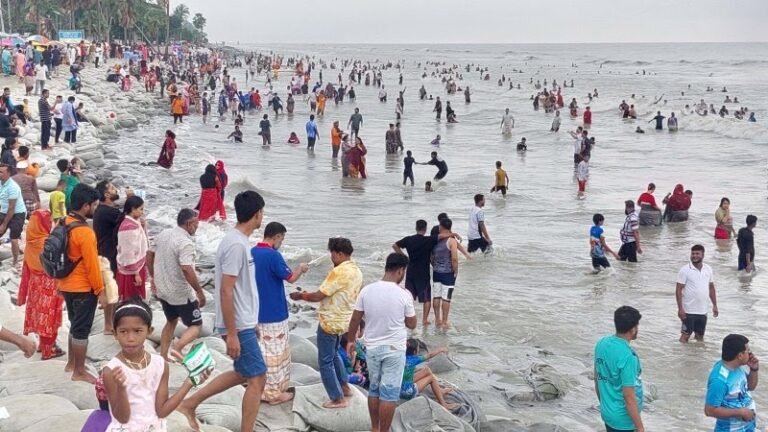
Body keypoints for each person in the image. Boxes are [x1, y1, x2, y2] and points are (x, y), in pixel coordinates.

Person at [178, 191, 268, 432]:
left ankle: (189, 403)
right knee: (258, 377)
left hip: (243, 321)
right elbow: (226, 291)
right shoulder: (236, 245)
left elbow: (240, 289)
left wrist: (252, 321)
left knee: (242, 373)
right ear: (257, 214)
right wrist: (233, 333)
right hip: (236, 324)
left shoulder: (238, 241)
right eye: (262, 212)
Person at [102, 299, 211, 431]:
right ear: (115, 333)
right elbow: (122, 418)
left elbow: (162, 411)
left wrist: (189, 382)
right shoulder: (111, 371)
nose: (130, 338)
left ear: (149, 331)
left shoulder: (160, 364)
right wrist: (121, 388)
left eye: (137, 331)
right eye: (124, 331)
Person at [288, 237, 363, 409]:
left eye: (332, 254)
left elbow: (318, 296)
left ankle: (337, 398)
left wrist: (301, 296)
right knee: (335, 354)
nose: (331, 258)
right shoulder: (356, 270)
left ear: (339, 253)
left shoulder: (339, 272)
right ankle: (344, 386)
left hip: (330, 321)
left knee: (325, 361)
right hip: (343, 321)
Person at [346, 253, 416, 432]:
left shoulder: (367, 290)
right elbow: (412, 324)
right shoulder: (404, 294)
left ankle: (374, 428)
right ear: (401, 270)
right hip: (395, 349)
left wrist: (351, 341)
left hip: (373, 349)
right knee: (389, 394)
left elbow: (355, 320)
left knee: (375, 390)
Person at [253, 222, 308, 404]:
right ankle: (274, 394)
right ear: (276, 237)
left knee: (262, 350)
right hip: (274, 311)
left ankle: (260, 386)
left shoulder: (252, 252)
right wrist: (300, 268)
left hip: (255, 310)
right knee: (275, 353)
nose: (281, 243)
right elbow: (291, 278)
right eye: (282, 239)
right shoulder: (273, 256)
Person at [59, 183, 104, 383]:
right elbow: (92, 264)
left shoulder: (63, 222)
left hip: (66, 283)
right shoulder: (85, 232)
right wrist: (100, 289)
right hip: (83, 288)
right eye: (93, 205)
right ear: (85, 206)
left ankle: (71, 363)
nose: (95, 209)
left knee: (74, 324)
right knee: (82, 329)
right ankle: (79, 370)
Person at [148, 208, 206, 361]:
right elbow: (186, 268)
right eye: (196, 223)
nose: (198, 226)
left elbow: (150, 253)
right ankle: (177, 348)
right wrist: (199, 291)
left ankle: (163, 355)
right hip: (180, 292)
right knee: (196, 325)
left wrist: (153, 276)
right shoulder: (185, 243)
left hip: (163, 289)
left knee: (171, 320)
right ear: (189, 224)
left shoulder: (163, 234)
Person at [17, 209, 63, 360]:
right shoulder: (47, 243)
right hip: (49, 286)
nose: (50, 223)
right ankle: (48, 350)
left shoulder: (30, 243)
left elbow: (26, 270)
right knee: (50, 318)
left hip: (35, 287)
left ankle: (44, 346)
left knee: (39, 317)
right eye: (48, 221)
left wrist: (22, 295)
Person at [594, 306, 645, 432]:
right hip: (624, 421)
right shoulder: (628, 357)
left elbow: (597, 378)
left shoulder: (602, 343)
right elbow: (629, 397)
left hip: (607, 413)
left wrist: (606, 405)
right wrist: (640, 427)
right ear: (633, 329)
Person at [704, 334, 759, 431]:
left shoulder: (737, 368)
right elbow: (709, 410)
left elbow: (750, 387)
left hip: (746, 427)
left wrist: (754, 369)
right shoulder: (719, 380)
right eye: (748, 350)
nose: (750, 353)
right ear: (740, 355)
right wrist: (740, 412)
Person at [393, 220, 438, 324]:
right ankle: (424, 320)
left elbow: (395, 246)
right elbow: (441, 236)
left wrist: (404, 257)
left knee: (409, 296)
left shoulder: (409, 240)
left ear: (416, 227)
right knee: (426, 298)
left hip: (411, 271)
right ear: (425, 229)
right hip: (423, 273)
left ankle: (407, 318)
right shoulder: (428, 240)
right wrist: (453, 234)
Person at [93, 180, 122, 334]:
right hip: (108, 255)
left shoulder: (103, 210)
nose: (115, 189)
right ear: (106, 195)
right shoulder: (107, 212)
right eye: (112, 188)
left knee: (112, 289)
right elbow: (126, 218)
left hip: (106, 253)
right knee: (111, 289)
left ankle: (112, 322)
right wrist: (132, 199)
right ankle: (108, 326)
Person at [675, 244, 718, 343]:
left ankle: (696, 357)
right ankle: (682, 356)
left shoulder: (708, 269)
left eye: (697, 253)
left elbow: (711, 287)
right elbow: (678, 289)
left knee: (700, 336)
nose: (694, 256)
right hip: (688, 311)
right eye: (693, 253)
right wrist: (680, 309)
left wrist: (715, 305)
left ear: (703, 255)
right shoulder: (685, 270)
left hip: (703, 311)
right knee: (685, 336)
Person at [400, 339, 456, 409]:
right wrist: (440, 349)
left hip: (399, 388)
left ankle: (440, 391)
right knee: (431, 378)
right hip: (407, 393)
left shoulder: (399, 357)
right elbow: (430, 355)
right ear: (415, 352)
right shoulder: (414, 359)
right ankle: (443, 404)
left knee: (426, 370)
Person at [116, 196, 148, 300]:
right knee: (132, 300)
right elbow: (128, 253)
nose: (142, 212)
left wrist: (143, 227)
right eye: (141, 209)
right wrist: (135, 273)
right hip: (132, 271)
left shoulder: (134, 222)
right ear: (133, 209)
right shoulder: (128, 227)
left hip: (136, 267)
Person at [431, 218, 459, 328]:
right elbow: (454, 259)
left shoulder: (435, 240)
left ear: (441, 227)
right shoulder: (451, 241)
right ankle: (444, 321)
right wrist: (455, 271)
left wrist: (435, 266)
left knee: (436, 297)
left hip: (436, 272)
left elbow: (431, 257)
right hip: (448, 274)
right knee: (446, 298)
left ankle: (437, 319)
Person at [0, 164, 27, 267]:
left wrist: (3, 225)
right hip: (4, 211)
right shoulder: (1, 184)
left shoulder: (13, 187)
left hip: (17, 213)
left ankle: (15, 261)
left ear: (8, 173)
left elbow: (12, 208)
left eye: (1, 172)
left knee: (14, 238)